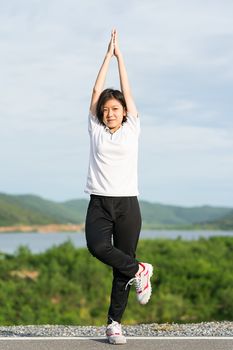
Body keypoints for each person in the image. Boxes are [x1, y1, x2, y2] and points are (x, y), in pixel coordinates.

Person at [84, 29, 153, 345]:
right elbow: (96, 89)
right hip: (100, 202)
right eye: (105, 109)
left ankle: (114, 324)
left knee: (120, 271)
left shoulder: (132, 129)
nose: (109, 113)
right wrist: (106, 57)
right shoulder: (96, 130)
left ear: (124, 111)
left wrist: (121, 58)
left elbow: (125, 88)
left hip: (127, 204)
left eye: (115, 108)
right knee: (98, 248)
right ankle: (141, 269)